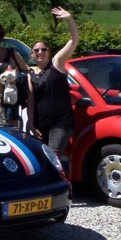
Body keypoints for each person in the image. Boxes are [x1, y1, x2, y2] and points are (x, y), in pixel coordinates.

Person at [29, 8, 80, 163]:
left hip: (60, 123)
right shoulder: (30, 74)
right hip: (40, 124)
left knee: (53, 158)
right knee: (43, 160)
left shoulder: (57, 64)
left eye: (44, 49)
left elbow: (74, 41)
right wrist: (31, 125)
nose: (40, 52)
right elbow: (31, 101)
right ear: (32, 54)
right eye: (36, 50)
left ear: (49, 52)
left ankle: (62, 186)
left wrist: (70, 19)